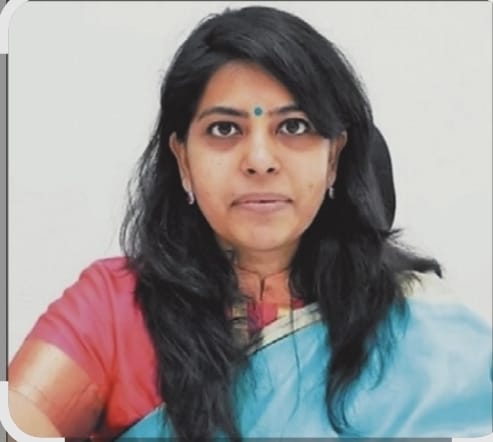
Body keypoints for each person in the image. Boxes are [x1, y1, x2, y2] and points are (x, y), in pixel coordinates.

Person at [8, 5, 492, 441]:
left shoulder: (421, 327)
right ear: (182, 159)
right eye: (224, 129)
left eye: (294, 126)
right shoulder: (113, 309)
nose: (260, 160)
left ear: (334, 158)